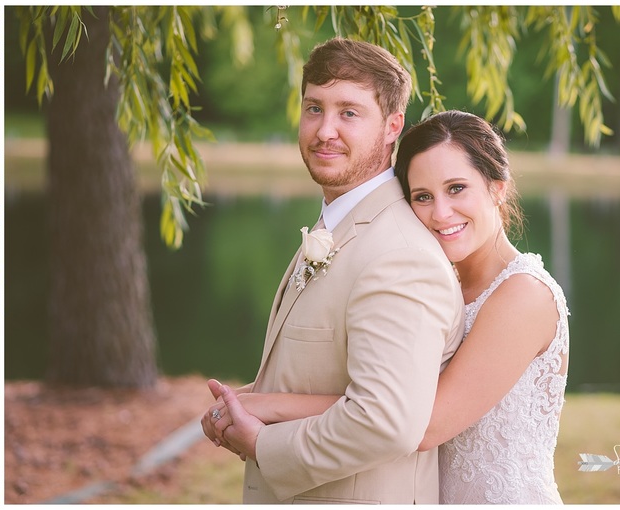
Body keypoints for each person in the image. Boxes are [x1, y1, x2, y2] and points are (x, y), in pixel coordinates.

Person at [210, 110, 571, 504]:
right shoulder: (437, 281)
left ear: (497, 188)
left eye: (456, 189)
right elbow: (389, 390)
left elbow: (420, 422)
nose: (440, 213)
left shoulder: (523, 295)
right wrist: (242, 401)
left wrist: (267, 407)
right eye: (423, 196)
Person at [201, 37, 465, 504]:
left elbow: (386, 421)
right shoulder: (341, 225)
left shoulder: (398, 254)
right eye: (313, 108)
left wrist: (262, 444)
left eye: (348, 112)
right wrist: (242, 407)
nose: (324, 130)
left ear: (392, 127)